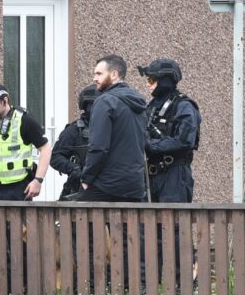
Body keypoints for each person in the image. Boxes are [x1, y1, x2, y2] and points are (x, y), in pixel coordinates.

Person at [77, 55, 148, 202]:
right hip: (134, 186)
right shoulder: (139, 103)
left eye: (99, 74)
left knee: (78, 221)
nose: (94, 78)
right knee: (130, 225)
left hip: (108, 184)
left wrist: (86, 178)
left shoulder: (105, 102)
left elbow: (98, 147)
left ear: (114, 74)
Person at [138, 59, 201, 203]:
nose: (148, 84)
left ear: (164, 81)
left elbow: (184, 141)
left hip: (174, 176)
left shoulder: (184, 106)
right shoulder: (151, 107)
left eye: (151, 80)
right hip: (149, 176)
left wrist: (150, 145)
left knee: (173, 223)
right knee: (145, 224)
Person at [51, 85, 97, 200]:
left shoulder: (112, 130)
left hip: (105, 188)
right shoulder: (74, 130)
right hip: (78, 188)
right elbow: (55, 157)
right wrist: (73, 168)